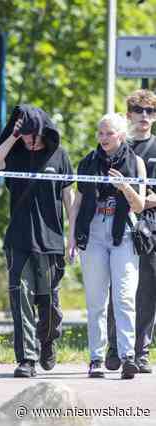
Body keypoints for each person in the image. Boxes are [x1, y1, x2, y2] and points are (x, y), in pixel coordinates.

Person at [0, 105, 74, 378]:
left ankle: (48, 340)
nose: (28, 140)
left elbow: (70, 196)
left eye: (31, 134)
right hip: (19, 239)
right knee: (21, 297)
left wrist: (72, 236)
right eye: (24, 134)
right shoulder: (14, 152)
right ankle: (27, 359)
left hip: (51, 241)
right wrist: (13, 137)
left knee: (48, 302)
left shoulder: (59, 155)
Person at [69, 113, 146, 380]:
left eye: (109, 133)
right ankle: (96, 358)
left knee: (124, 296)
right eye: (100, 133)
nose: (103, 138)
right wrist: (71, 240)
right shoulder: (88, 162)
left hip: (123, 231)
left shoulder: (135, 163)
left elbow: (139, 205)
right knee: (96, 300)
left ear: (121, 135)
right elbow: (77, 203)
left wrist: (124, 186)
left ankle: (128, 356)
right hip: (93, 233)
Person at [106, 90, 156, 374]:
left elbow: (146, 198)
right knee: (118, 288)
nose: (145, 117)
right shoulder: (115, 146)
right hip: (117, 225)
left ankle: (141, 352)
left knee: (147, 291)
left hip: (151, 226)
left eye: (150, 111)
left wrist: (143, 199)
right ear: (129, 114)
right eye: (139, 110)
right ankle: (115, 348)